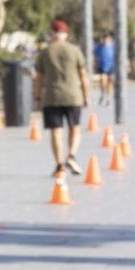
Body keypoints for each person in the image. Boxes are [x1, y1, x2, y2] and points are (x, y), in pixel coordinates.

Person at [33, 19, 90, 177]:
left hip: (51, 97)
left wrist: (37, 97)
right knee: (75, 128)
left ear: (51, 33)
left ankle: (59, 164)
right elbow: (83, 75)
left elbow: (38, 78)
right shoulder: (75, 50)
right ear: (65, 34)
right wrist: (86, 96)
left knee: (56, 131)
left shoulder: (45, 53)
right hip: (73, 96)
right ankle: (71, 155)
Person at [93, 33, 116, 106]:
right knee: (103, 80)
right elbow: (94, 54)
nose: (106, 40)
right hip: (102, 67)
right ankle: (103, 93)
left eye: (107, 38)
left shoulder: (113, 47)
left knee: (110, 82)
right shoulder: (99, 47)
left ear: (110, 39)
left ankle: (108, 97)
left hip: (111, 67)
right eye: (104, 38)